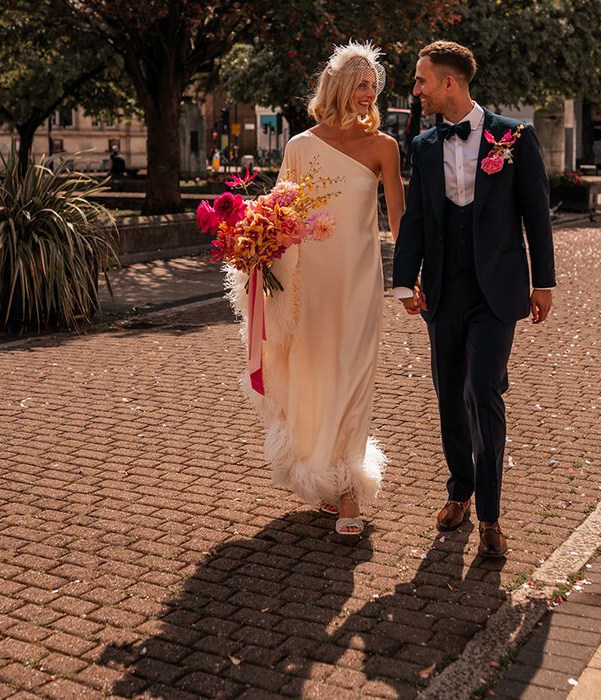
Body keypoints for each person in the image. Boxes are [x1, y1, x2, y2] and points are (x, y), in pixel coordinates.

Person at [226, 41, 404, 538]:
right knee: (315, 375)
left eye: (374, 85)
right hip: (310, 285)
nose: (369, 93)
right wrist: (253, 244)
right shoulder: (299, 147)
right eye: (361, 83)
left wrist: (412, 277)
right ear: (339, 87)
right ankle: (324, 473)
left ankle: (350, 493)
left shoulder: (384, 148)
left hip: (360, 282)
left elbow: (399, 219)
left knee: (354, 376)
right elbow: (278, 217)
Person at [393, 41, 556, 558]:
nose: (415, 89)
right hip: (444, 288)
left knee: (482, 391)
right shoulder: (421, 146)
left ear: (449, 83)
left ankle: (490, 516)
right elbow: (416, 220)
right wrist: (404, 280)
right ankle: (458, 489)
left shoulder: (513, 136)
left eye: (421, 81)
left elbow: (537, 213)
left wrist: (543, 282)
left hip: (498, 289)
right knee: (448, 395)